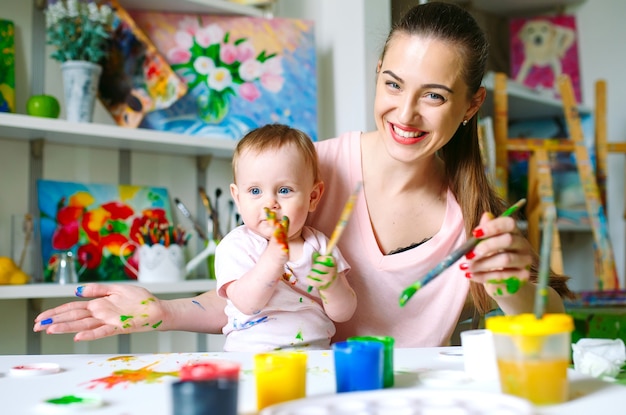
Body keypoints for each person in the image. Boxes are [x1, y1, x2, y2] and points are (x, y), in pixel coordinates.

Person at [33, 2, 571, 348]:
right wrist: (162, 310)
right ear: (377, 77)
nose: (405, 115)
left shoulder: (473, 219)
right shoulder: (305, 170)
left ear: (472, 104)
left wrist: (511, 286)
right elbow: (255, 296)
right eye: (392, 84)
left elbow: (553, 325)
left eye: (434, 96)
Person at [214, 124, 355, 351]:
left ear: (313, 197)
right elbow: (247, 304)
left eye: (284, 190)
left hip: (315, 357)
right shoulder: (236, 245)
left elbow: (344, 313)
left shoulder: (319, 246)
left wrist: (332, 284)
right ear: (237, 198)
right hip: (252, 359)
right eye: (255, 191)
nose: (270, 203)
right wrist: (272, 260)